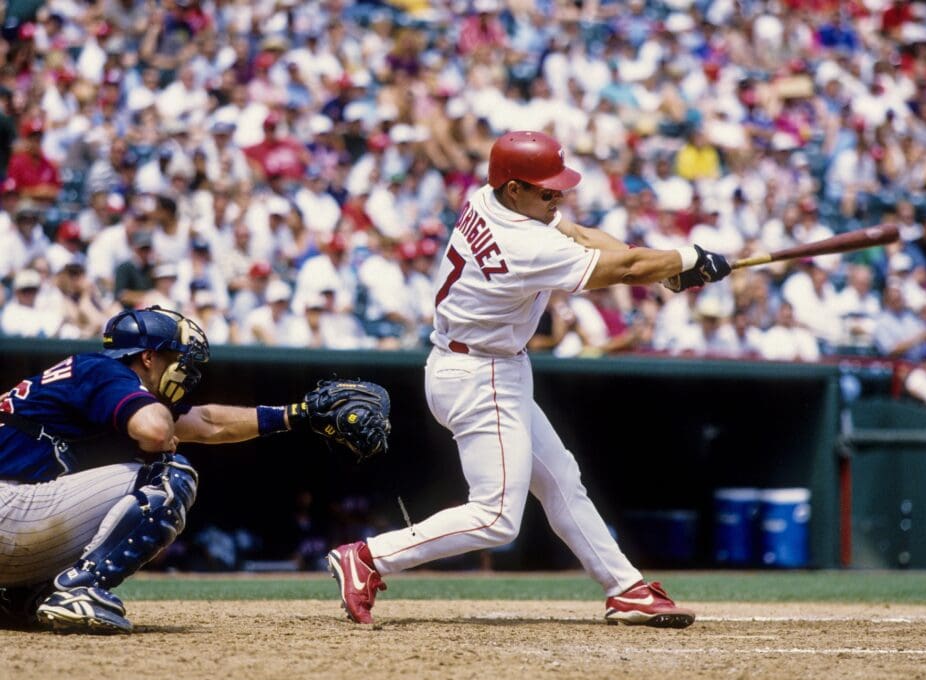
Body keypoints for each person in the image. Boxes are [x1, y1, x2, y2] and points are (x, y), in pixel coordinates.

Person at [326, 130, 731, 628]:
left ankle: (625, 589)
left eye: (557, 188)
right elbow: (621, 269)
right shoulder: (521, 243)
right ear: (514, 188)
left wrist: (665, 266)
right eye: (546, 190)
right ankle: (368, 557)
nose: (556, 196)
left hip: (484, 365)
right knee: (496, 517)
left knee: (561, 479)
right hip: (481, 374)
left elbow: (585, 238)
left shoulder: (491, 200)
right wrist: (685, 260)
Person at [0, 306, 390, 633]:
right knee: (169, 475)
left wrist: (297, 415)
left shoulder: (89, 380)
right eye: (176, 358)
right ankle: (79, 589)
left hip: (14, 516)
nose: (185, 370)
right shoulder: (104, 370)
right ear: (148, 357)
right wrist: (161, 433)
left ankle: (21, 596)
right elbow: (155, 430)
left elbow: (205, 423)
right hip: (9, 510)